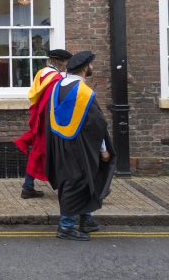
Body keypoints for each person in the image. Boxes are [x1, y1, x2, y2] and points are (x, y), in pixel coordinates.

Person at [45, 51, 115, 241]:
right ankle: (66, 226)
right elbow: (97, 125)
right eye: (91, 65)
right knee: (76, 182)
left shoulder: (57, 87)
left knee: (79, 180)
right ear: (85, 68)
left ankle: (86, 219)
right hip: (81, 146)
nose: (92, 67)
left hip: (60, 143)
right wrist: (104, 150)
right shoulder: (84, 93)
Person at [14, 48, 71, 199]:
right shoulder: (55, 80)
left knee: (38, 152)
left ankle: (28, 186)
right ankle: (69, 189)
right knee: (52, 153)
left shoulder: (42, 73)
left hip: (40, 120)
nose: (67, 65)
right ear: (59, 62)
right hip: (49, 123)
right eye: (66, 62)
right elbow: (53, 104)